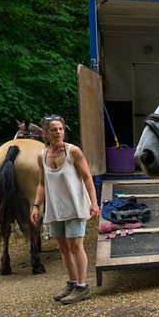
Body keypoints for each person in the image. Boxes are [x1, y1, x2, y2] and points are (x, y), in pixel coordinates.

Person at [30, 116, 100, 304]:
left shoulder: (74, 152)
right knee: (63, 247)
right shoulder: (42, 155)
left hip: (76, 206)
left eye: (61, 129)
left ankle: (82, 287)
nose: (59, 132)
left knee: (76, 246)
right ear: (46, 133)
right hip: (56, 208)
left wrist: (94, 202)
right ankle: (72, 282)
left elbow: (87, 178)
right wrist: (36, 206)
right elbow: (42, 184)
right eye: (54, 129)